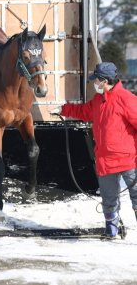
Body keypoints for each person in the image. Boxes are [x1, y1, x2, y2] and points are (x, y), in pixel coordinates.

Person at [57, 62, 137, 238]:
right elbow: (84, 111)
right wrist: (63, 109)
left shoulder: (126, 99)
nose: (94, 83)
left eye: (96, 80)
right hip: (105, 160)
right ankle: (111, 229)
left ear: (104, 81)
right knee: (109, 199)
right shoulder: (98, 100)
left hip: (128, 160)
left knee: (136, 197)